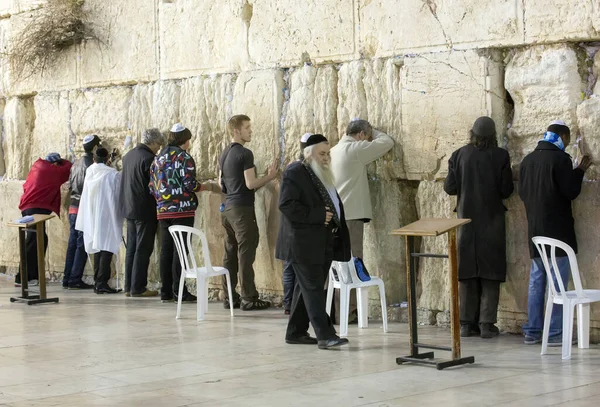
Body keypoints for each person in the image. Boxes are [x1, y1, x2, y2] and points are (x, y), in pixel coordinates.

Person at [519, 120, 592, 346]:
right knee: (559, 284)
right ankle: (554, 334)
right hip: (558, 233)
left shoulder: (528, 160)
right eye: (567, 139)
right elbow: (570, 191)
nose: (568, 144)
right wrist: (580, 170)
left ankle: (532, 331)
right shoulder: (561, 160)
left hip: (536, 232)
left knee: (536, 281)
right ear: (563, 136)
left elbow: (523, 193)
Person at [276, 134, 352, 350]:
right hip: (302, 243)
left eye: (328, 153)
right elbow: (287, 205)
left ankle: (296, 332)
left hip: (322, 241)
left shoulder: (321, 173)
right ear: (308, 154)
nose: (326, 157)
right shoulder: (295, 172)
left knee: (307, 288)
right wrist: (318, 216)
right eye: (322, 153)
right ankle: (325, 335)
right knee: (313, 290)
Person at [443, 116, 514, 339]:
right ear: (493, 135)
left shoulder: (459, 155)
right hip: (492, 223)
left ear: (471, 133)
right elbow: (506, 190)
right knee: (490, 274)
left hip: (466, 222)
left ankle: (466, 324)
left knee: (468, 272)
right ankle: (486, 324)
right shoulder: (501, 155)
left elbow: (450, 188)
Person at [330, 119, 393, 323]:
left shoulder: (333, 150)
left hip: (337, 215)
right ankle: (347, 314)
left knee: (340, 265)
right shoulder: (355, 149)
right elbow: (387, 142)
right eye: (366, 135)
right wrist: (374, 132)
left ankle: (340, 312)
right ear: (360, 135)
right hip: (351, 216)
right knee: (352, 263)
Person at [219, 114, 278, 311]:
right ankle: (249, 297)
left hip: (227, 210)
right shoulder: (245, 154)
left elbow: (222, 184)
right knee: (245, 254)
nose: (250, 131)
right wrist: (270, 176)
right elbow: (250, 184)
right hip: (242, 210)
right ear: (237, 131)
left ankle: (229, 296)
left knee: (230, 254)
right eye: (247, 127)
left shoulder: (224, 153)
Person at [149, 123, 211, 303]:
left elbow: (152, 186)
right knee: (181, 250)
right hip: (182, 209)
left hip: (163, 210)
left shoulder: (158, 159)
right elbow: (190, 185)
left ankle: (166, 291)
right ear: (186, 140)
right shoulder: (184, 158)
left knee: (166, 250)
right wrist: (207, 187)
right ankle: (180, 291)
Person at [121, 129, 165, 298]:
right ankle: (138, 287)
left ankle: (128, 286)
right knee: (143, 248)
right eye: (158, 145)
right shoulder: (149, 159)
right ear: (152, 143)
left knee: (131, 247)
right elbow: (154, 185)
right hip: (144, 209)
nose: (158, 149)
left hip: (129, 207)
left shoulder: (129, 155)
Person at [16, 153, 72, 286]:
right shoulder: (52, 171)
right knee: (34, 241)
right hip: (36, 209)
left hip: (28, 208)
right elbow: (68, 167)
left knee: (37, 239)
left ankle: (30, 276)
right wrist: (62, 161)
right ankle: (24, 277)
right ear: (54, 164)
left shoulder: (38, 165)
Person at [76, 147, 123, 294]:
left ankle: (98, 281)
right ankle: (102, 283)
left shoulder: (90, 172)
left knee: (98, 248)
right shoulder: (113, 174)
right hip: (107, 215)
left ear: (94, 159)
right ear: (107, 158)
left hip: (92, 216)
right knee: (106, 249)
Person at [63, 134, 101, 290]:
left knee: (72, 243)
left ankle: (67, 278)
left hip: (73, 206)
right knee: (81, 244)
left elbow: (70, 185)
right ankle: (75, 279)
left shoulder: (75, 164)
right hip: (83, 207)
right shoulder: (90, 165)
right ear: (94, 148)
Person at [282, 132, 312, 315]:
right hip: (296, 225)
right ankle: (292, 304)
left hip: (288, 224)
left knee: (289, 267)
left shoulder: (291, 166)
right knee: (294, 267)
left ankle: (289, 304)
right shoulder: (302, 169)